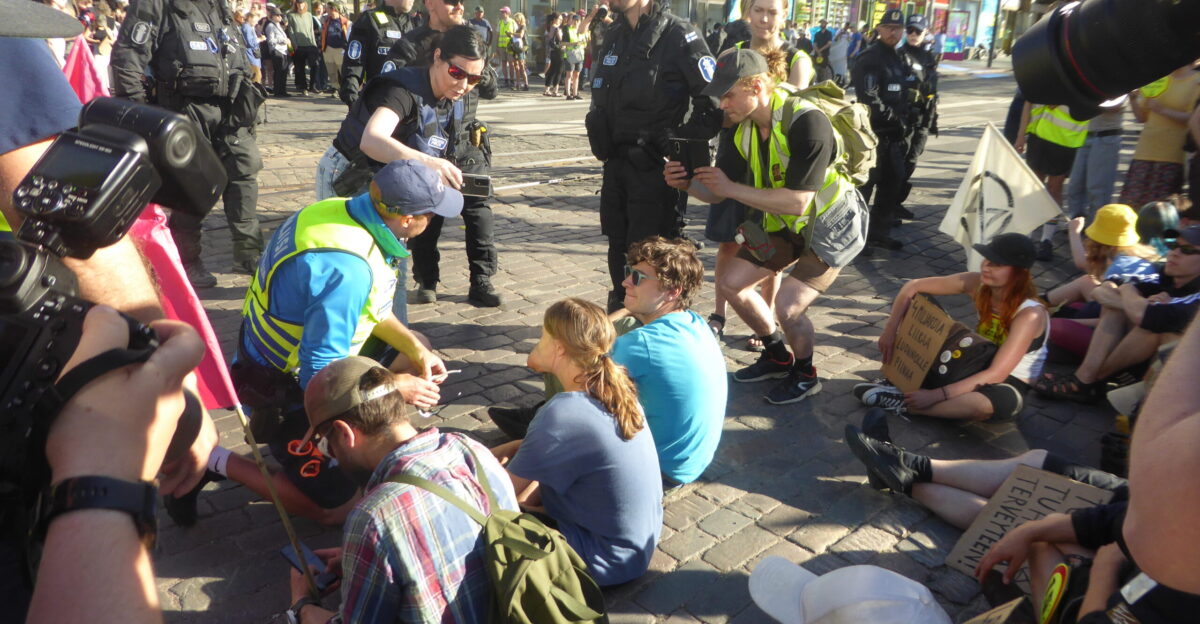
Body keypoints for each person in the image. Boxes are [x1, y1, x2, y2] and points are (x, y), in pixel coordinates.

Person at [170, 161, 459, 527]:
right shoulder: (347, 268)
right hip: (283, 382)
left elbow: (371, 307)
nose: (432, 221)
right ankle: (212, 459)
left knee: (416, 344)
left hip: (292, 352)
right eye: (430, 215)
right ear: (406, 220)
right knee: (338, 509)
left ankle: (349, 449)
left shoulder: (341, 213)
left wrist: (417, 351)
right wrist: (394, 386)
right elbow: (320, 376)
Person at [665, 49, 861, 405]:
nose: (722, 104)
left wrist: (730, 188)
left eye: (728, 95)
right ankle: (776, 354)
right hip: (785, 222)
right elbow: (716, 194)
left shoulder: (808, 122)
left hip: (831, 225)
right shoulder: (743, 131)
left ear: (756, 86)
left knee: (788, 307)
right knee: (731, 283)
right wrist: (686, 185)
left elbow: (800, 201)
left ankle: (805, 374)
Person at [282, 356, 519, 624]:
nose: (331, 455)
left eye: (326, 446)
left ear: (344, 432)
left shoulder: (374, 517)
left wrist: (301, 607)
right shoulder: (471, 450)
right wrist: (368, 560)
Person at [491, 237, 727, 487]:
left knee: (565, 351)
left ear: (673, 291)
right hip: (689, 462)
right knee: (619, 329)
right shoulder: (695, 322)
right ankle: (542, 415)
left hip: (657, 471)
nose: (625, 281)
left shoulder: (642, 344)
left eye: (638, 278)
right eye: (628, 273)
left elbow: (539, 362)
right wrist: (628, 309)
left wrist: (552, 345)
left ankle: (545, 423)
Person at [490, 298, 663, 587]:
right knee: (524, 466)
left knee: (483, 522)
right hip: (632, 548)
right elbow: (532, 446)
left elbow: (494, 494)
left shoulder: (562, 413)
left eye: (543, 336)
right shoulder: (614, 388)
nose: (538, 341)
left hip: (601, 558)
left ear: (559, 347)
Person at [111, 0, 266, 287]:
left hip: (231, 109)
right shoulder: (157, 4)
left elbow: (236, 55)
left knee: (244, 170)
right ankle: (188, 260)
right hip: (184, 108)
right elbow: (127, 58)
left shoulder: (218, 6)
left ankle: (249, 252)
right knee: (190, 187)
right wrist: (138, 112)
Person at [585, 0, 722, 313]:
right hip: (616, 164)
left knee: (653, 255)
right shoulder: (615, 34)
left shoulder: (679, 34)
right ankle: (623, 315)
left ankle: (657, 322)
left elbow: (712, 103)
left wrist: (677, 144)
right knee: (618, 246)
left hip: (656, 171)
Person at [705, 0, 812, 351]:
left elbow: (795, 111)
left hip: (770, 164)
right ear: (747, 14)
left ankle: (764, 318)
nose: (764, 18)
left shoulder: (797, 58)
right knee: (726, 240)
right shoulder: (732, 51)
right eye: (758, 10)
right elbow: (715, 108)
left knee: (768, 245)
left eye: (772, 11)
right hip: (736, 156)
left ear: (784, 16)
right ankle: (719, 314)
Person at [855, 233, 1050, 421]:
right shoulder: (976, 282)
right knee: (921, 302)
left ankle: (907, 404)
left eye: (997, 264)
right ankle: (907, 384)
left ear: (1019, 274)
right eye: (986, 260)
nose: (986, 267)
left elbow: (997, 373)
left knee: (984, 405)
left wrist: (937, 395)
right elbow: (913, 286)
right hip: (976, 360)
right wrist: (890, 330)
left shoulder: (1029, 314)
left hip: (1007, 381)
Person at [385, 16, 504, 308]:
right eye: (451, 2)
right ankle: (426, 280)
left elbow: (492, 89)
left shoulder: (473, 40)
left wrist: (475, 70)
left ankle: (481, 280)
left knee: (479, 214)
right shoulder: (414, 41)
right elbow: (392, 79)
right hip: (428, 141)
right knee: (427, 213)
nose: (458, 7)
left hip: (466, 144)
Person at [1035, 225, 1200, 403]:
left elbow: (1143, 316)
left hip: (1166, 368)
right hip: (1118, 340)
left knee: (1148, 326)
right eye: (1173, 245)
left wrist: (1129, 294)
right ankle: (1086, 379)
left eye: (1187, 250)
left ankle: (1087, 380)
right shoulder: (1165, 273)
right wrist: (1130, 298)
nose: (1174, 252)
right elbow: (1102, 291)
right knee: (1106, 300)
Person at [852, 9, 915, 252]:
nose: (894, 32)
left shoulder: (897, 57)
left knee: (893, 182)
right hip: (873, 134)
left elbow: (902, 92)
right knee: (865, 186)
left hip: (894, 137)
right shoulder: (870, 57)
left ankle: (879, 232)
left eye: (898, 28)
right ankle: (856, 237)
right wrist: (894, 120)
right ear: (879, 29)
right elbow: (869, 97)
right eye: (889, 27)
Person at [1120, 63, 1200, 208]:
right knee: (1130, 208)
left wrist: (1163, 110)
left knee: (1160, 212)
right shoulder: (1159, 78)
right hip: (1144, 152)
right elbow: (1141, 118)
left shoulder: (1196, 81)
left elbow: (1193, 118)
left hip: (1171, 156)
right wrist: (1132, 99)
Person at [1016, 100, 1088, 261]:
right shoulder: (1044, 75)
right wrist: (1021, 135)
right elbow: (1028, 102)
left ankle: (1046, 240)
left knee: (1054, 190)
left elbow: (1090, 103)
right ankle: (1026, 238)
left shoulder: (1079, 77)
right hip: (1038, 136)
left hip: (1065, 140)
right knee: (1033, 189)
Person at [339, 0, 419, 107]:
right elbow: (354, 64)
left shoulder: (415, 23)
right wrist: (352, 100)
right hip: (378, 102)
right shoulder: (369, 20)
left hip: (409, 105)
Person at [898, 14, 938, 212]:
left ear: (925, 33)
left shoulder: (928, 57)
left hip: (922, 117)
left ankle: (897, 202)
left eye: (918, 31)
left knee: (912, 160)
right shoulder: (899, 54)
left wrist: (932, 119)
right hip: (905, 118)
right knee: (898, 162)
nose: (913, 35)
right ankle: (890, 205)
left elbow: (932, 88)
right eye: (910, 31)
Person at [1066, 96, 1127, 220]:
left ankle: (1096, 232)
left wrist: (1084, 101)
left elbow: (1114, 107)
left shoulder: (1120, 80)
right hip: (1085, 134)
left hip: (1107, 136)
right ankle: (1076, 226)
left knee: (1097, 190)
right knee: (1075, 186)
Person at [286, 0, 321, 96]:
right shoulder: (291, 15)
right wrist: (294, 44)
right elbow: (291, 31)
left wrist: (314, 44)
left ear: (305, 4)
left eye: (302, 3)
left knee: (315, 65)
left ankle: (312, 86)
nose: (300, 5)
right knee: (300, 68)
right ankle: (303, 87)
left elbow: (311, 30)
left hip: (310, 44)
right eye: (298, 3)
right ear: (296, 4)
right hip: (299, 45)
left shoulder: (309, 15)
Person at [320, 3, 350, 96]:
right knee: (331, 70)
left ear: (333, 9)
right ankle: (335, 88)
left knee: (342, 70)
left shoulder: (345, 21)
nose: (326, 10)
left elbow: (349, 35)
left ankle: (346, 88)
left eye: (328, 8)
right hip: (328, 48)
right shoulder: (326, 20)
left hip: (340, 49)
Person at [264, 5, 292, 96]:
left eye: (280, 15)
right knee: (279, 71)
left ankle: (282, 91)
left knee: (283, 71)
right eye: (277, 15)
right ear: (272, 16)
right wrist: (283, 40)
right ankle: (278, 91)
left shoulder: (278, 25)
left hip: (283, 51)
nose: (280, 17)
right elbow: (270, 41)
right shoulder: (271, 26)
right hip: (277, 51)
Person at [562, 12, 586, 100]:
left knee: (577, 74)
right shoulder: (568, 30)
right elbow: (563, 43)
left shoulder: (582, 32)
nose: (576, 22)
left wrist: (582, 44)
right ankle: (568, 93)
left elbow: (585, 43)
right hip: (570, 55)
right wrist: (574, 43)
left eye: (577, 21)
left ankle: (575, 93)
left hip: (579, 55)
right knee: (569, 74)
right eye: (574, 20)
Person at [541, 12, 563, 97]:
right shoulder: (555, 27)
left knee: (553, 70)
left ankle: (547, 89)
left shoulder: (552, 27)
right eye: (559, 19)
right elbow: (558, 39)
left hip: (553, 51)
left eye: (561, 19)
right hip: (558, 51)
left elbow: (550, 39)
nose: (561, 21)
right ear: (554, 20)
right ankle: (555, 90)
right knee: (558, 71)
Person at [508, 11, 529, 91]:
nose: (516, 21)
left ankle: (526, 84)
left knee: (521, 66)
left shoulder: (523, 26)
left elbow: (521, 35)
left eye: (517, 19)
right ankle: (518, 84)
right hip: (515, 48)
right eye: (515, 19)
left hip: (521, 48)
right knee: (516, 66)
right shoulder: (516, 27)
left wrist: (512, 33)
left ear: (520, 19)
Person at [494, 5, 514, 86]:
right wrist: (497, 46)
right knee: (503, 63)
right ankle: (506, 80)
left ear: (508, 13)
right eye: (501, 12)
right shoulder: (500, 22)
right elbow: (498, 34)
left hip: (510, 46)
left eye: (504, 12)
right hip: (501, 46)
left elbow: (516, 33)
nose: (502, 13)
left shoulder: (512, 22)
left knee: (511, 63)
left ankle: (512, 80)